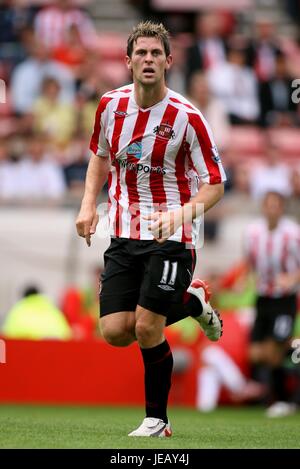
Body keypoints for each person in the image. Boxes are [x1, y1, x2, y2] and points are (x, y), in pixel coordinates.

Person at [76, 21, 226, 437]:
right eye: (140, 53)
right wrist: (89, 204)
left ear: (168, 62)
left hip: (172, 236)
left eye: (156, 53)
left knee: (147, 326)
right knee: (115, 332)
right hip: (124, 234)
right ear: (127, 62)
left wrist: (180, 216)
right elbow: (99, 157)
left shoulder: (187, 117)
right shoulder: (109, 106)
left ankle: (157, 420)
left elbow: (216, 183)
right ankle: (194, 303)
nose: (148, 59)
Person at [245, 191, 300, 417]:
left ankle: (283, 401)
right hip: (263, 297)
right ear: (263, 207)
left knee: (273, 352)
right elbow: (249, 261)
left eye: (276, 205)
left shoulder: (292, 233)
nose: (272, 209)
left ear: (282, 208)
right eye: (268, 205)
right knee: (257, 354)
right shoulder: (252, 232)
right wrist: (244, 278)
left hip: (284, 298)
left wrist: (292, 278)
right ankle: (295, 347)